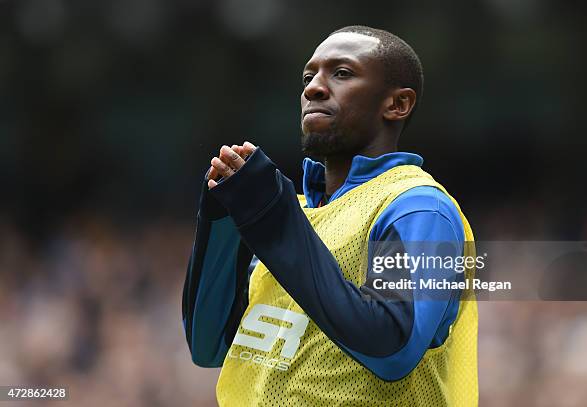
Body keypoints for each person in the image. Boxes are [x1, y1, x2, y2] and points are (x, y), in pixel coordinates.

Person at [182, 25, 478, 406]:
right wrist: (223, 224)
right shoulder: (301, 213)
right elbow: (210, 347)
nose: (313, 88)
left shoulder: (419, 208)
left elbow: (392, 347)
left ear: (397, 104)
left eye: (342, 73)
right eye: (309, 77)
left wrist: (274, 221)